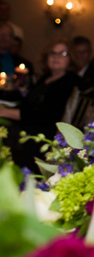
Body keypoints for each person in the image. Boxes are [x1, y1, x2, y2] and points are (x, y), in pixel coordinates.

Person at [0, 39, 80, 171]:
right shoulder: (46, 78)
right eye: (52, 53)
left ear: (71, 59)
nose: (56, 57)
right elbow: (27, 105)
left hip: (45, 136)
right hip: (30, 128)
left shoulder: (69, 81)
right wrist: (5, 110)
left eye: (63, 54)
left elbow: (47, 116)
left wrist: (6, 112)